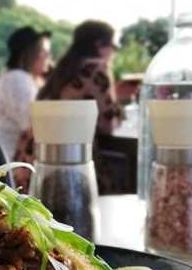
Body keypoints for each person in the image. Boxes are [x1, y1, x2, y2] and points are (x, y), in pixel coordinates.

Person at [13, 20, 123, 190]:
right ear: (100, 45)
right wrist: (118, 100)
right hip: (66, 161)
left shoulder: (63, 69)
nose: (115, 52)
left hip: (30, 158)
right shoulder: (97, 68)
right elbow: (107, 125)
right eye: (114, 46)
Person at [0, 26, 52, 159]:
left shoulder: (18, 78)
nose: (49, 57)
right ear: (29, 53)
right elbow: (34, 125)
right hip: (2, 159)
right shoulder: (17, 79)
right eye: (44, 51)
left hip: (0, 155)